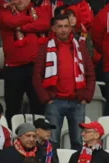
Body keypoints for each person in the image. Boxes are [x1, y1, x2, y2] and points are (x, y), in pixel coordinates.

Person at [35, 11, 95, 150]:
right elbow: (37, 76)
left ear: (71, 28)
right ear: (54, 29)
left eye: (66, 26)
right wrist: (46, 98)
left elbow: (91, 74)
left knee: (79, 142)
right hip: (54, 101)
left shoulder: (80, 47)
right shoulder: (45, 48)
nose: (63, 30)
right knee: (52, 142)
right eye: (60, 26)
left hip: (77, 101)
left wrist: (86, 96)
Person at [0, 0, 50, 123]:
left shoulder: (39, 11)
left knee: (39, 107)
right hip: (14, 69)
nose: (21, 0)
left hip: (36, 68)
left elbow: (46, 24)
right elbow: (10, 22)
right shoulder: (4, 12)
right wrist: (31, 20)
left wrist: (21, 26)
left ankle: (38, 139)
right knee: (12, 107)